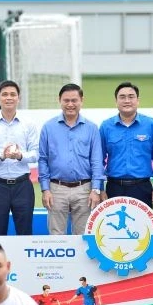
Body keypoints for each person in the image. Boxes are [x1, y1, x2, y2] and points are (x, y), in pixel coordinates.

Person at [38, 83, 104, 235]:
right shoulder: (48, 127)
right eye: (66, 100)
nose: (70, 104)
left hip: (84, 190)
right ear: (59, 100)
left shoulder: (91, 128)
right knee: (56, 236)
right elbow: (43, 159)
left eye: (74, 100)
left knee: (83, 236)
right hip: (56, 189)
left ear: (81, 100)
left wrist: (96, 189)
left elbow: (96, 161)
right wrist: (45, 189)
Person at [0, 80, 39, 235]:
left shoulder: (28, 124)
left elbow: (36, 154)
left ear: (18, 98)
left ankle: (24, 260)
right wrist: (1, 156)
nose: (9, 98)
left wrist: (20, 156)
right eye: (4, 94)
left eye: (13, 94)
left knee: (25, 233)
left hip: (22, 185)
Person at [99, 81, 153, 208]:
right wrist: (101, 188)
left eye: (131, 97)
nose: (127, 100)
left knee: (143, 227)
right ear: (116, 101)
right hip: (114, 188)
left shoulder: (150, 125)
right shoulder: (106, 126)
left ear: (137, 100)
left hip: (142, 188)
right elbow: (98, 160)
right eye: (122, 97)